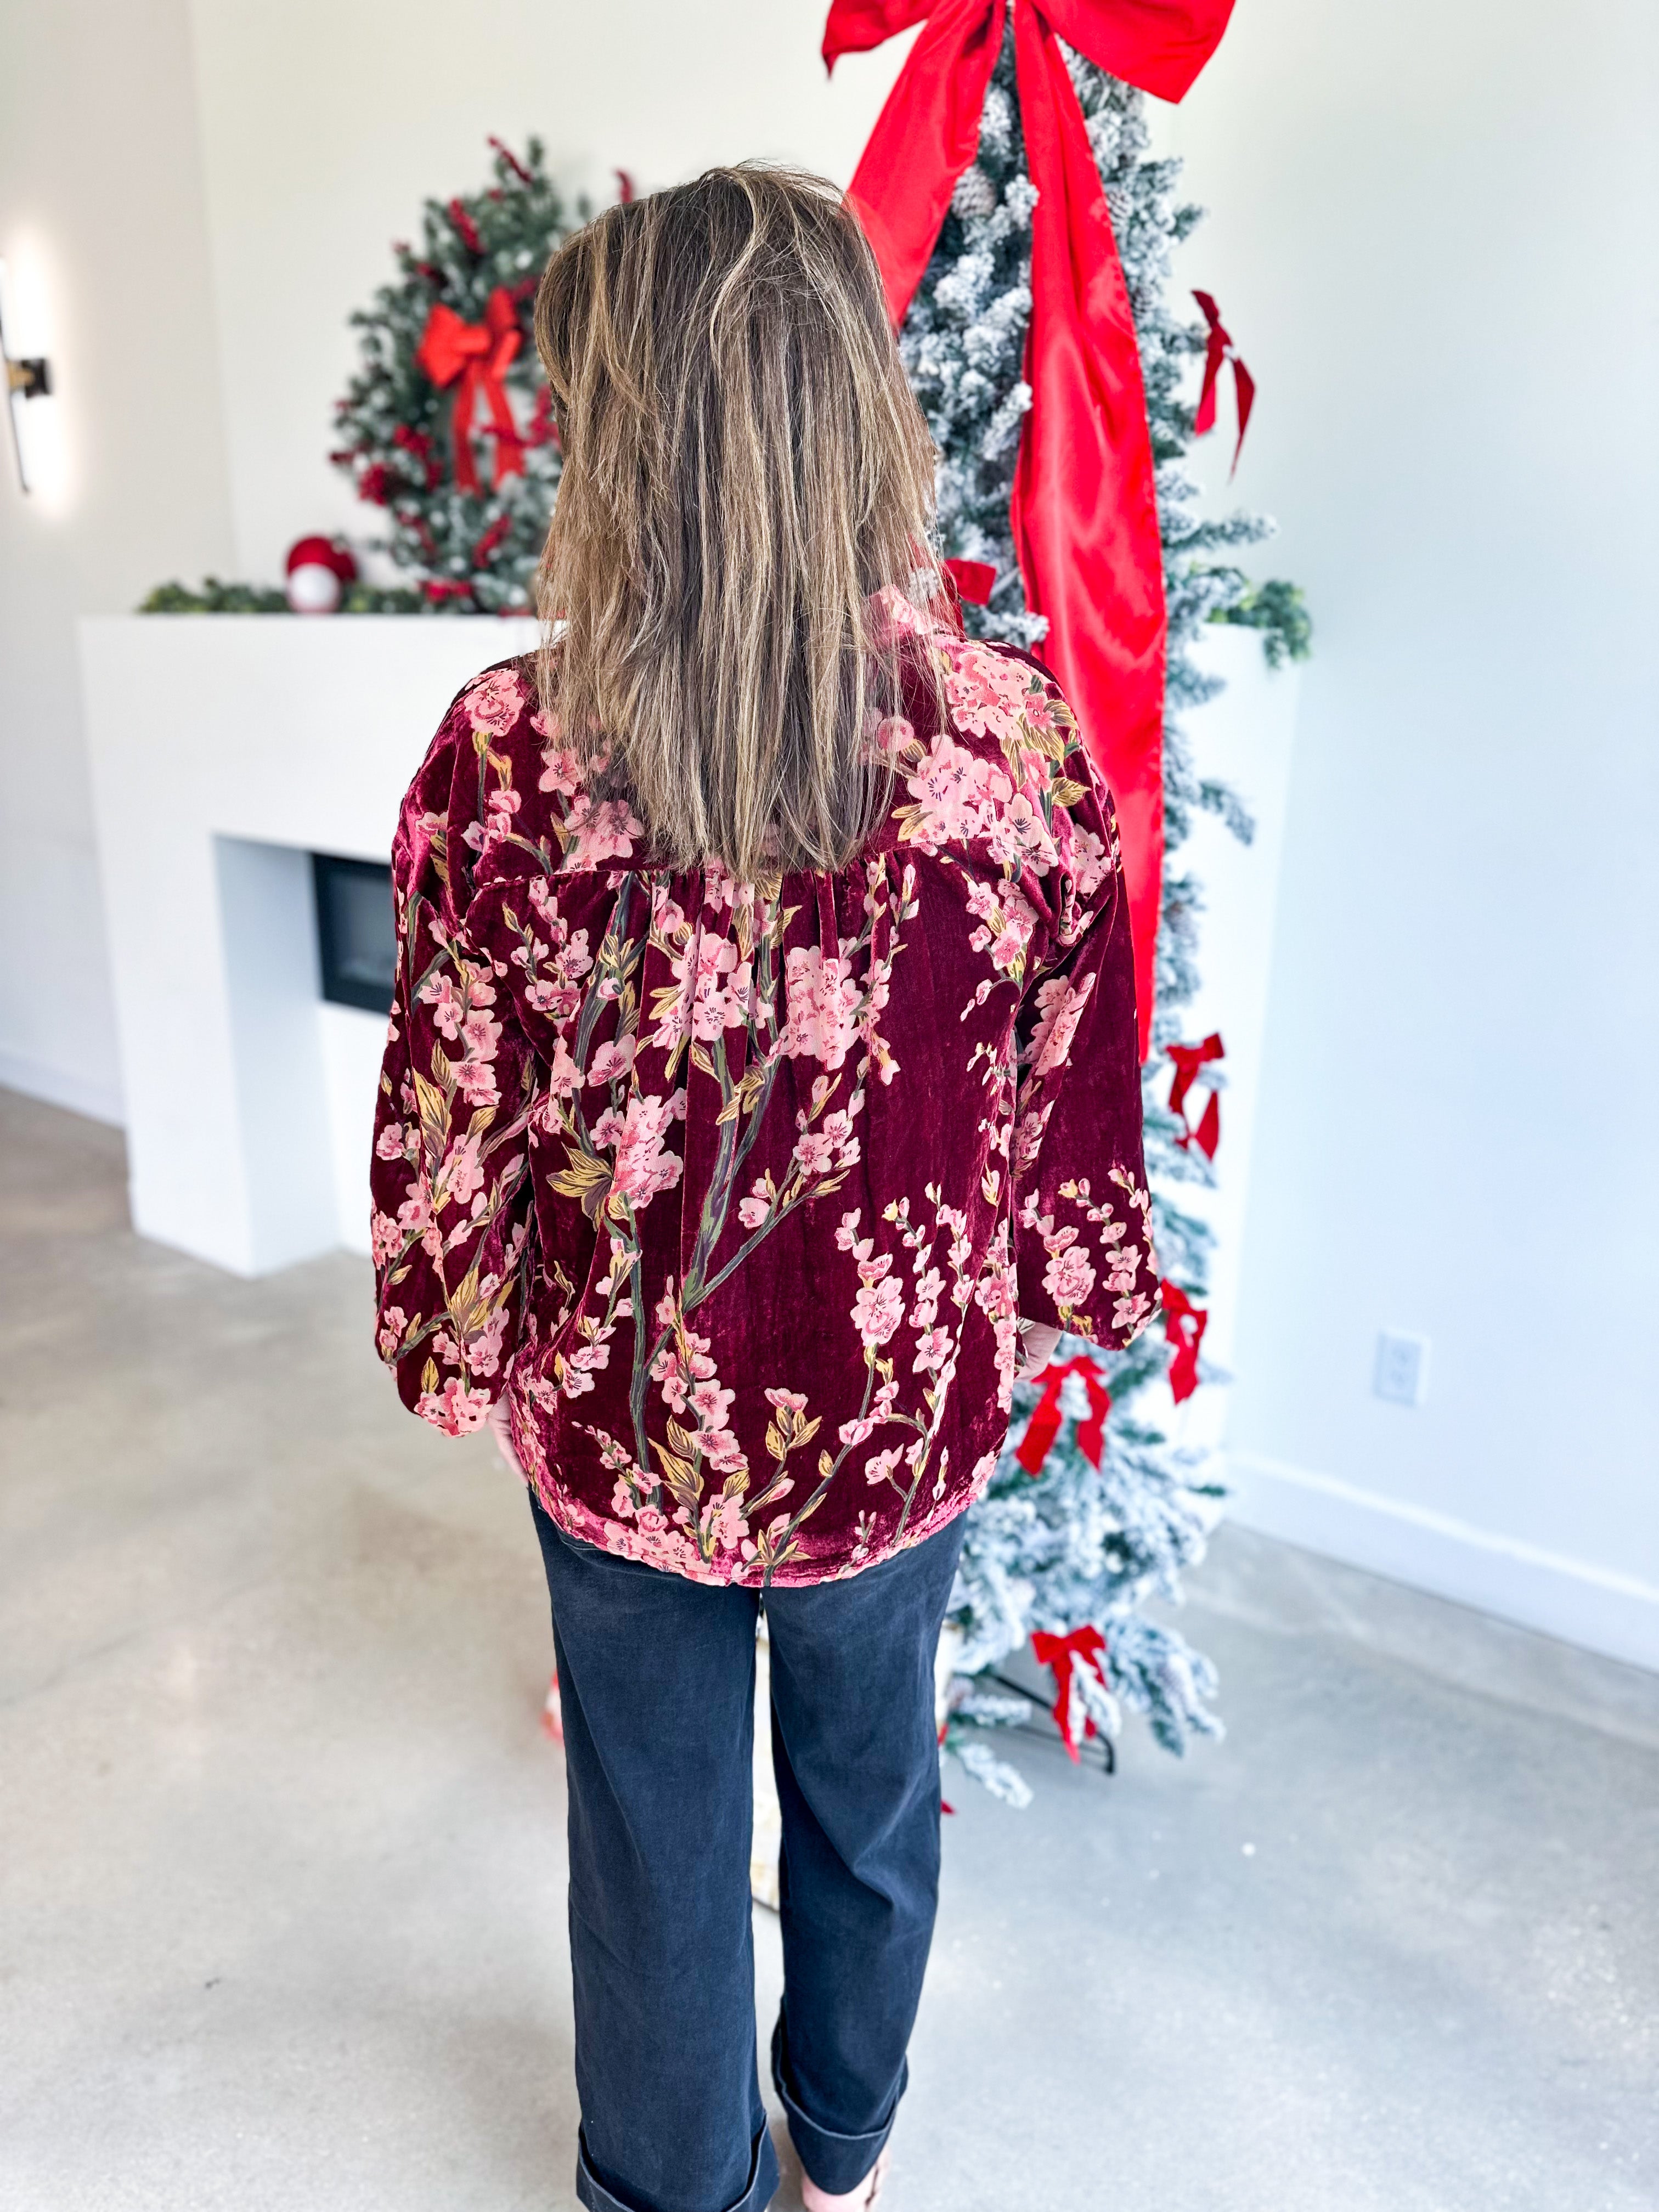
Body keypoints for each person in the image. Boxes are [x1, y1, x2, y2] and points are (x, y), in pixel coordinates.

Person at [370, 164, 1154, 2212]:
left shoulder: (512, 747)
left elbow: (456, 1084)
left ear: (626, 429)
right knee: (871, 1802)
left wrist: (450, 1330)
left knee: (650, 1823)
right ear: (854, 406)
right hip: (890, 1420)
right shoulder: (1009, 746)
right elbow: (1065, 1087)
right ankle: (849, 2153)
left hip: (624, 1408)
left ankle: (672, 2185)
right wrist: (1060, 1284)